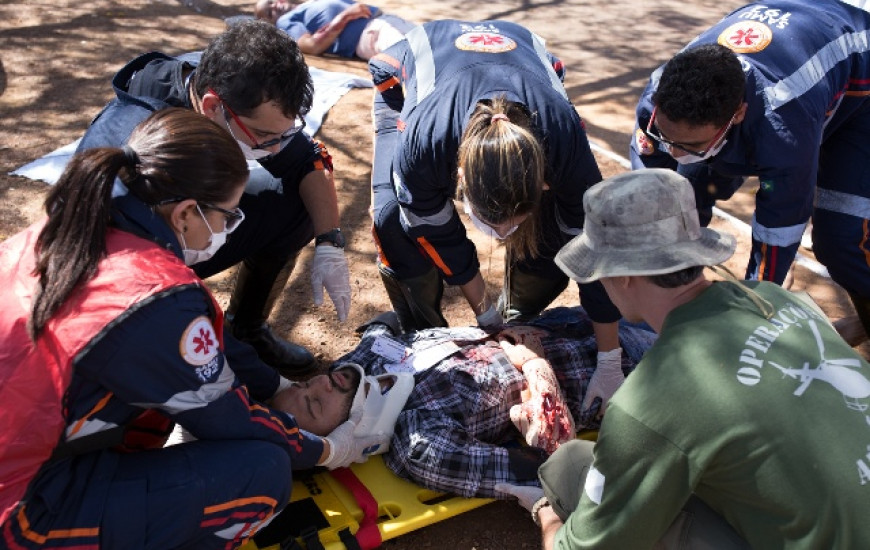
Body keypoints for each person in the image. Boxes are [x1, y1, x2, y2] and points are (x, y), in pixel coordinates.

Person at [0, 109, 377, 549]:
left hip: (25, 454)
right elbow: (228, 418)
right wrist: (326, 451)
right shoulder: (153, 297)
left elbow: (202, 346)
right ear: (184, 215)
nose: (227, 229)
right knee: (262, 473)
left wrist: (272, 382)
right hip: (22, 507)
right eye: (228, 216)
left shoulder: (71, 230)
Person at [517, 168, 870, 549]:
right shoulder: (772, 297)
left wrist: (547, 512)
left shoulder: (651, 401)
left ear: (621, 276)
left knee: (570, 472)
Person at [368, 19, 625, 412]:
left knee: (565, 231)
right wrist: (482, 314)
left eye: (513, 223)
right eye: (493, 223)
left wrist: (610, 360)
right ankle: (426, 332)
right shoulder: (424, 144)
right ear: (459, 178)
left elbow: (592, 251)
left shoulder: (564, 143)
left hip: (525, 68)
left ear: (543, 184)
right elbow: (438, 233)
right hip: (406, 83)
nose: (502, 237)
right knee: (392, 219)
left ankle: (518, 313)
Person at [77, 19, 352, 375]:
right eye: (265, 136)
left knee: (296, 199)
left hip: (173, 240)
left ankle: (249, 327)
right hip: (118, 276)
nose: (276, 148)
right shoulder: (138, 148)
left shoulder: (240, 92)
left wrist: (329, 242)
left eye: (284, 134)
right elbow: (150, 289)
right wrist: (264, 382)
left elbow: (308, 160)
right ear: (211, 107)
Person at [630, 0, 870, 346]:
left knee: (842, 240)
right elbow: (653, 192)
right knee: (681, 202)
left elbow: (780, 225)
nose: (674, 152)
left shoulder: (781, 125)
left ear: (738, 115)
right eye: (666, 137)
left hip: (859, 92)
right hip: (799, 69)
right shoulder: (658, 96)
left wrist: (752, 309)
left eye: (691, 144)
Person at [271, 308, 657, 499]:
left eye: (306, 384)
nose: (321, 382)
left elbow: (382, 324)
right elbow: (548, 468)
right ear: (343, 439)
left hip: (580, 320)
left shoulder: (357, 367)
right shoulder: (419, 444)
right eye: (315, 405)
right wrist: (539, 372)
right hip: (632, 370)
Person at [254, 0, 415, 60]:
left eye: (271, 2)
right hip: (370, 33)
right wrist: (344, 17)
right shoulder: (285, 21)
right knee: (417, 57)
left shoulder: (304, 5)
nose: (274, 6)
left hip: (384, 20)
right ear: (269, 23)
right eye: (269, 12)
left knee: (432, 43)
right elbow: (312, 46)